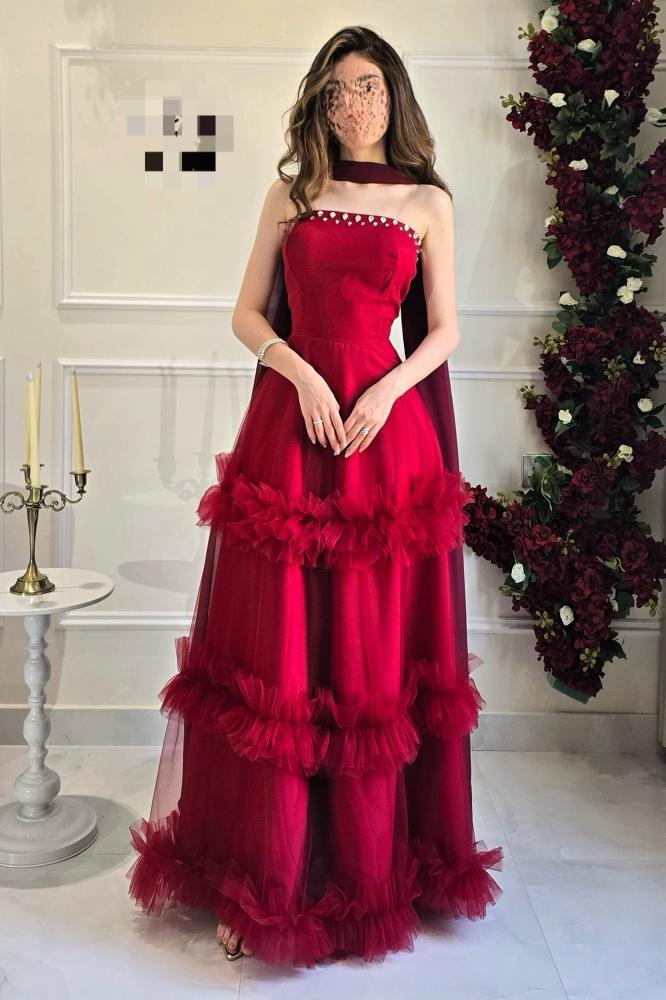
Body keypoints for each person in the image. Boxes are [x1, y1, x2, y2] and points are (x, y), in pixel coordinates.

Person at [126, 24, 503, 967]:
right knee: (282, 659)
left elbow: (445, 330)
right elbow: (245, 312)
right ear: (318, 103)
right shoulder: (291, 194)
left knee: (368, 655)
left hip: (381, 438)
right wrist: (296, 371)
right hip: (291, 433)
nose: (353, 104)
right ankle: (264, 876)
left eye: (368, 86)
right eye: (336, 91)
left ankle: (369, 870)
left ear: (395, 94)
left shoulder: (426, 201)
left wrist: (385, 390)